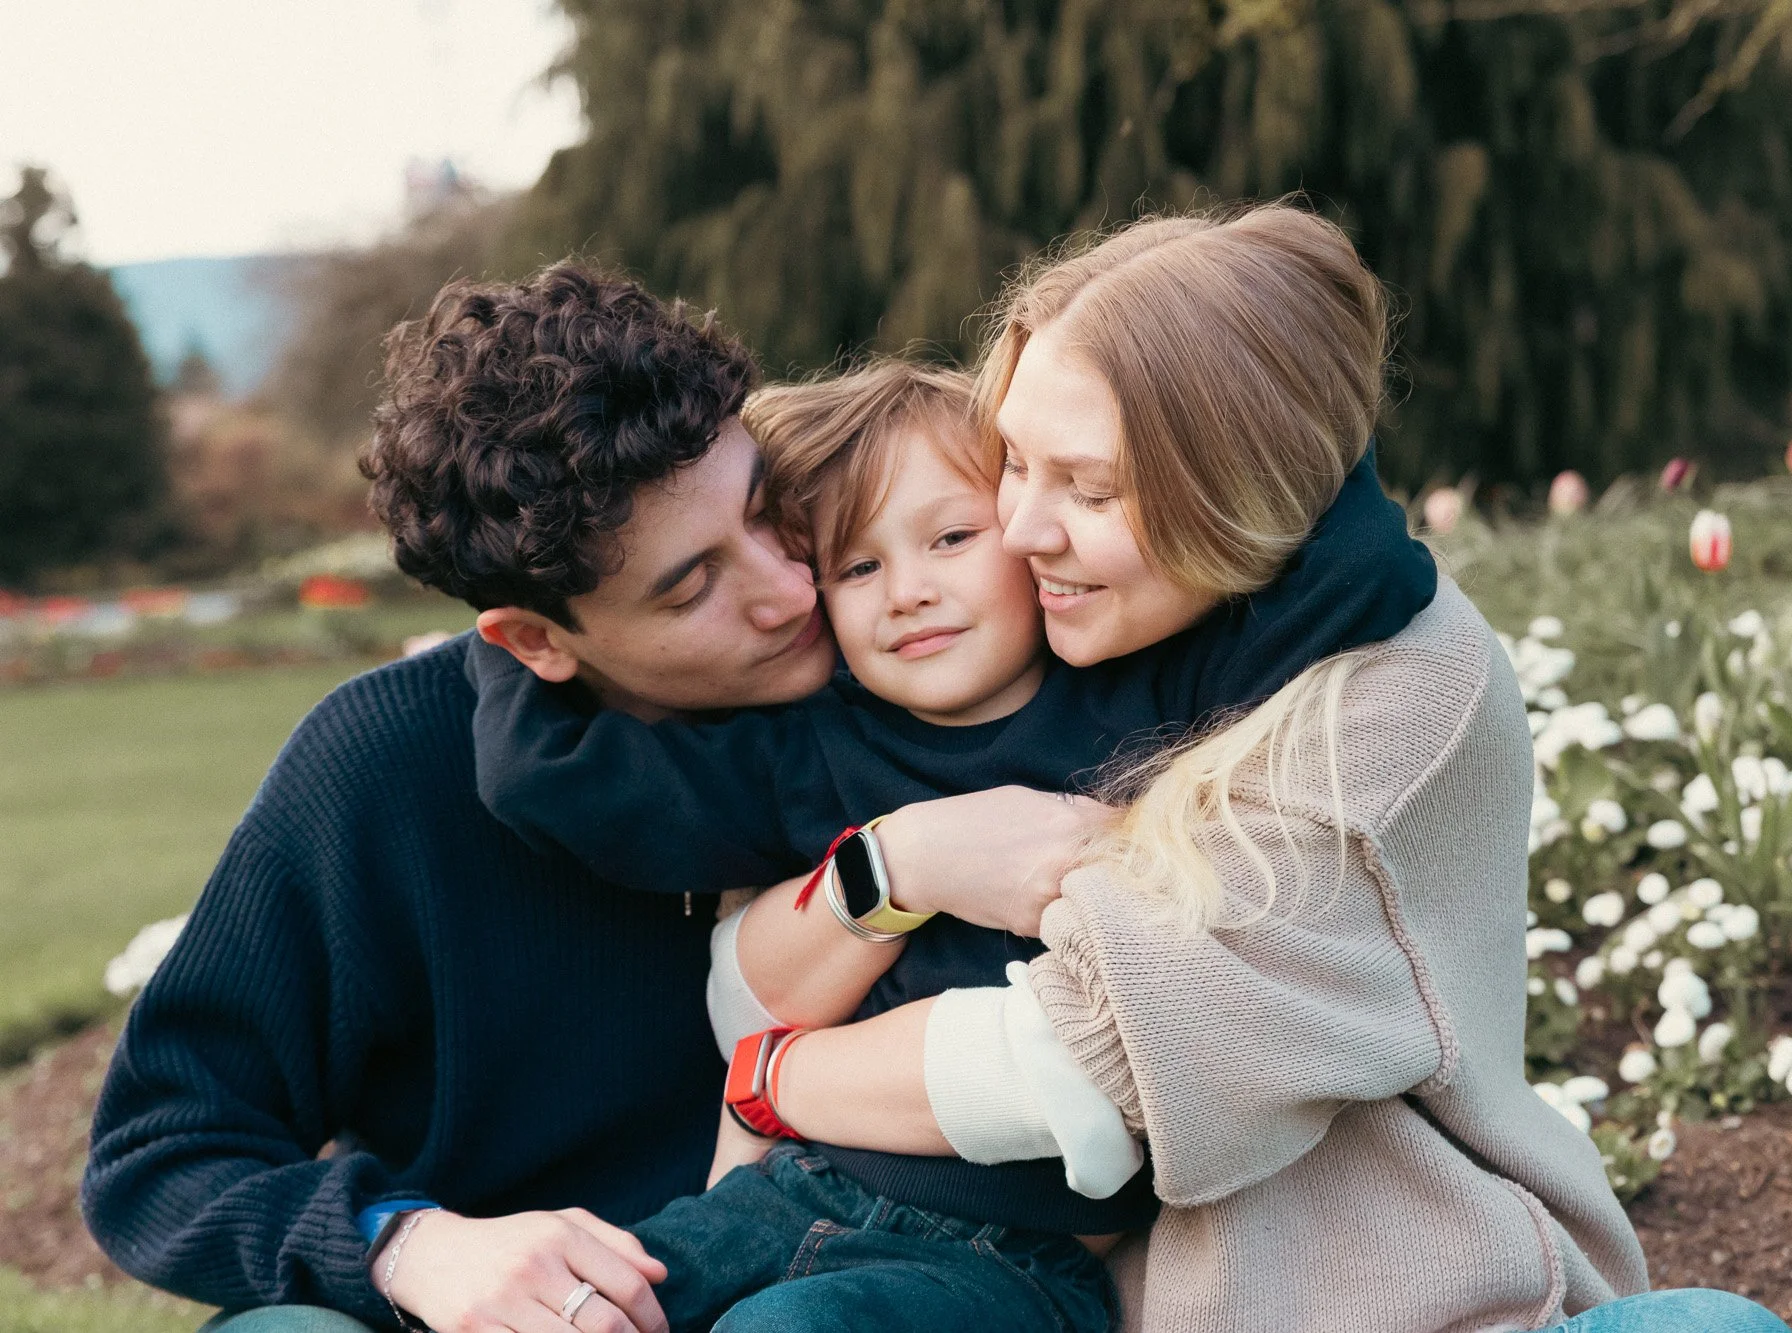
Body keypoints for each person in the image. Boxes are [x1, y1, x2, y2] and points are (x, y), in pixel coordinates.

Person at [696, 204, 1792, 1331]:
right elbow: (738, 980)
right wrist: (900, 859)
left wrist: (773, 1080)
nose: (1019, 528)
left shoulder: (1387, 685)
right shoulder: (1067, 633)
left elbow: (1080, 1060)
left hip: (1425, 1302)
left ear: (1229, 485)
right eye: (1014, 465)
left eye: (1087, 486)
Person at [78, 265, 1102, 1333]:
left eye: (767, 511)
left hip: (833, 1281)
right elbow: (165, 1147)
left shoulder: (919, 663)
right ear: (535, 643)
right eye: (693, 584)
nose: (789, 589)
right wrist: (413, 1244)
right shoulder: (382, 762)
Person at [461, 255, 1435, 1323]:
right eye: (858, 566)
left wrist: (1247, 411)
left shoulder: (1142, 689)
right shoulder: (809, 747)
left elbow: (1364, 575)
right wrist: (520, 628)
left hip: (1009, 1254)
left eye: (951, 537)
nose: (910, 589)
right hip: (793, 1188)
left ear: (1021, 530)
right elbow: (557, 782)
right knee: (583, 1308)